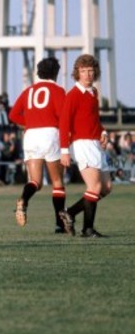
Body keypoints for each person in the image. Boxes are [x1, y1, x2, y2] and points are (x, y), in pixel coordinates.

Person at [8, 57, 69, 233]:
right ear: (56, 73)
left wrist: (29, 123)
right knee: (57, 181)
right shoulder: (58, 90)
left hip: (31, 136)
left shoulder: (29, 91)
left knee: (35, 181)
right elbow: (62, 117)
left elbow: (13, 115)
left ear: (38, 72)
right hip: (50, 134)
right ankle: (59, 224)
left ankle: (23, 199)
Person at [58, 54, 112, 238]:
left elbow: (94, 120)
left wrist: (103, 132)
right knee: (94, 187)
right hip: (82, 144)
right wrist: (64, 150)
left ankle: (70, 213)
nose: (87, 74)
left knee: (106, 188)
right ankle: (87, 229)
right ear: (77, 73)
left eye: (90, 70)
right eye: (83, 71)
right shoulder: (72, 95)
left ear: (95, 71)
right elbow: (64, 123)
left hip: (95, 143)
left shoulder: (93, 92)